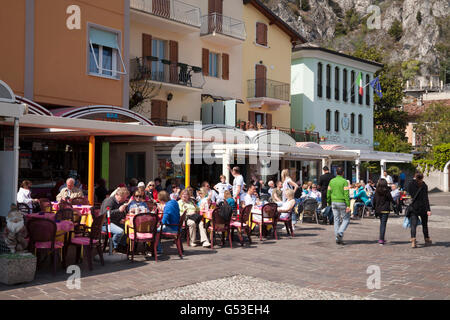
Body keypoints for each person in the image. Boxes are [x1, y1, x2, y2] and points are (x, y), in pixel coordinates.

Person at [406, 172, 432, 248]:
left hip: (414, 207)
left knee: (413, 225)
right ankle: (426, 239)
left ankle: (413, 240)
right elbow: (425, 198)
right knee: (424, 225)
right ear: (422, 177)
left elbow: (410, 193)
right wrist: (428, 209)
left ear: (415, 176)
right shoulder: (424, 185)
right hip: (423, 207)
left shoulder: (411, 184)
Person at [100, 187, 129, 252]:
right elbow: (106, 214)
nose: (125, 199)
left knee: (127, 229)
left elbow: (121, 213)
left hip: (115, 222)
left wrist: (121, 218)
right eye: (124, 198)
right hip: (105, 223)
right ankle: (113, 247)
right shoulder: (109, 201)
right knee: (120, 231)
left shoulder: (120, 202)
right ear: (118, 195)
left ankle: (121, 246)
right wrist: (118, 210)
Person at [327, 167, 351, 245]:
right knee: (346, 219)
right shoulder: (344, 181)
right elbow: (346, 194)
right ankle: (340, 233)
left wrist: (329, 202)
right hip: (342, 202)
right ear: (343, 173)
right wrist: (348, 205)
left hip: (334, 202)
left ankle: (337, 238)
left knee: (336, 220)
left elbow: (328, 193)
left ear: (336, 172)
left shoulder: (331, 181)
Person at [372, 179, 394, 245]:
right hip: (385, 209)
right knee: (383, 224)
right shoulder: (387, 191)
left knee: (382, 223)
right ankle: (381, 239)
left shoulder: (377, 191)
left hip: (378, 209)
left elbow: (374, 200)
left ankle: (381, 239)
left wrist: (374, 208)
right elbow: (391, 199)